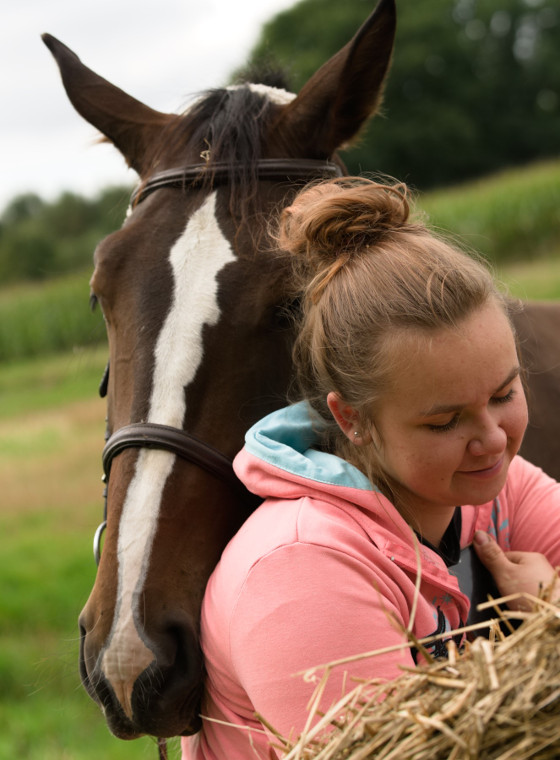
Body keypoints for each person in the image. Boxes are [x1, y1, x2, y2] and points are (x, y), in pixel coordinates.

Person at [182, 177, 560, 760]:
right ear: (351, 419)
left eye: (505, 394)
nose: (492, 440)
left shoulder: (490, 487)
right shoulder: (301, 576)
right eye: (444, 422)